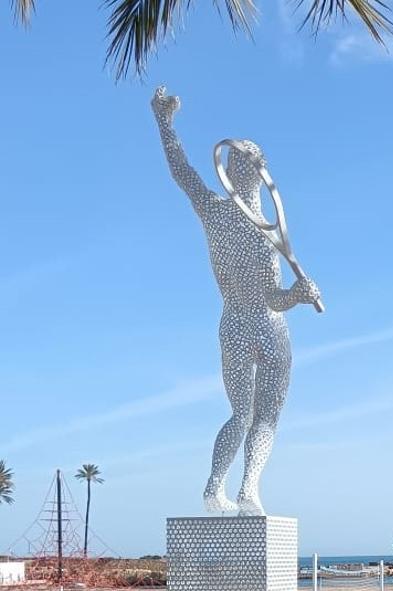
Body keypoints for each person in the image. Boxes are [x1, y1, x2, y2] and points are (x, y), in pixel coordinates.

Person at [152, 86, 321, 516]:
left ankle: (219, 489)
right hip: (264, 324)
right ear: (259, 172)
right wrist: (299, 296)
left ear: (231, 167)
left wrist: (164, 121)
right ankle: (244, 490)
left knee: (242, 413)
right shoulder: (262, 228)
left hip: (234, 324)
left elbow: (182, 170)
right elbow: (274, 298)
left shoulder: (216, 209)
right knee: (261, 416)